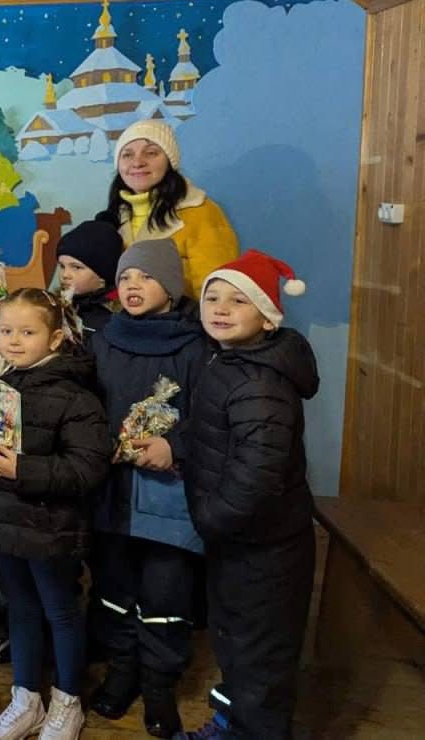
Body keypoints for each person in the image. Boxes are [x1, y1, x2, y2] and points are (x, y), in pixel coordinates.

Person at [178, 251, 317, 740]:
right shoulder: (228, 361)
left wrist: (211, 519)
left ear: (267, 317)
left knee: (260, 659)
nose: (221, 308)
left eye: (239, 301)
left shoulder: (260, 383)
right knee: (235, 642)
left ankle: (251, 730)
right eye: (213, 297)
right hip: (240, 541)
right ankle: (231, 725)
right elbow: (212, 433)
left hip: (264, 547)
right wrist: (174, 444)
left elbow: (256, 473)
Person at [87, 240, 208, 738]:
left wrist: (174, 446)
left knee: (165, 594)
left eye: (146, 276)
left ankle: (159, 686)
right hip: (110, 493)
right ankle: (122, 671)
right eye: (126, 277)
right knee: (113, 588)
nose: (133, 286)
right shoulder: (104, 339)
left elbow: (213, 418)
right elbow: (84, 404)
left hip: (170, 499)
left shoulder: (197, 345)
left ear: (172, 286)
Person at [0, 290, 111, 740]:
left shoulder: (76, 397)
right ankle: (26, 698)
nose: (13, 341)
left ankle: (67, 701)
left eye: (27, 332)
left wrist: (24, 470)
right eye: (6, 331)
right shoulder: (1, 384)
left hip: (53, 529)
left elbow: (88, 468)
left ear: (55, 338)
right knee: (20, 607)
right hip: (5, 521)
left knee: (61, 610)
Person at [100, 121, 238, 299]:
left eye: (151, 153)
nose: (137, 162)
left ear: (170, 161)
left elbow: (217, 291)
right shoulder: (113, 218)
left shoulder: (200, 212)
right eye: (127, 155)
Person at [54, 219, 123, 334]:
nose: (65, 275)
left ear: (102, 276)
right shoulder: (52, 309)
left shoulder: (120, 318)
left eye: (76, 267)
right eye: (62, 266)